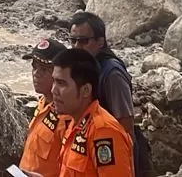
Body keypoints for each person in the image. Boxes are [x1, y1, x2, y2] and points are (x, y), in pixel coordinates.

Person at [68, 12, 148, 176]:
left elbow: (125, 125)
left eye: (83, 41)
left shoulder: (112, 74)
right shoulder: (85, 67)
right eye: (73, 40)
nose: (76, 46)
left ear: (100, 42)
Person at [43, 48, 134, 177]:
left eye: (61, 83)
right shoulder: (75, 123)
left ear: (85, 90)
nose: (53, 90)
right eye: (54, 82)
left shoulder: (104, 132)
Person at [19, 38, 72, 177]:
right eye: (34, 67)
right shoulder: (43, 102)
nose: (36, 73)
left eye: (44, 69)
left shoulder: (67, 116)